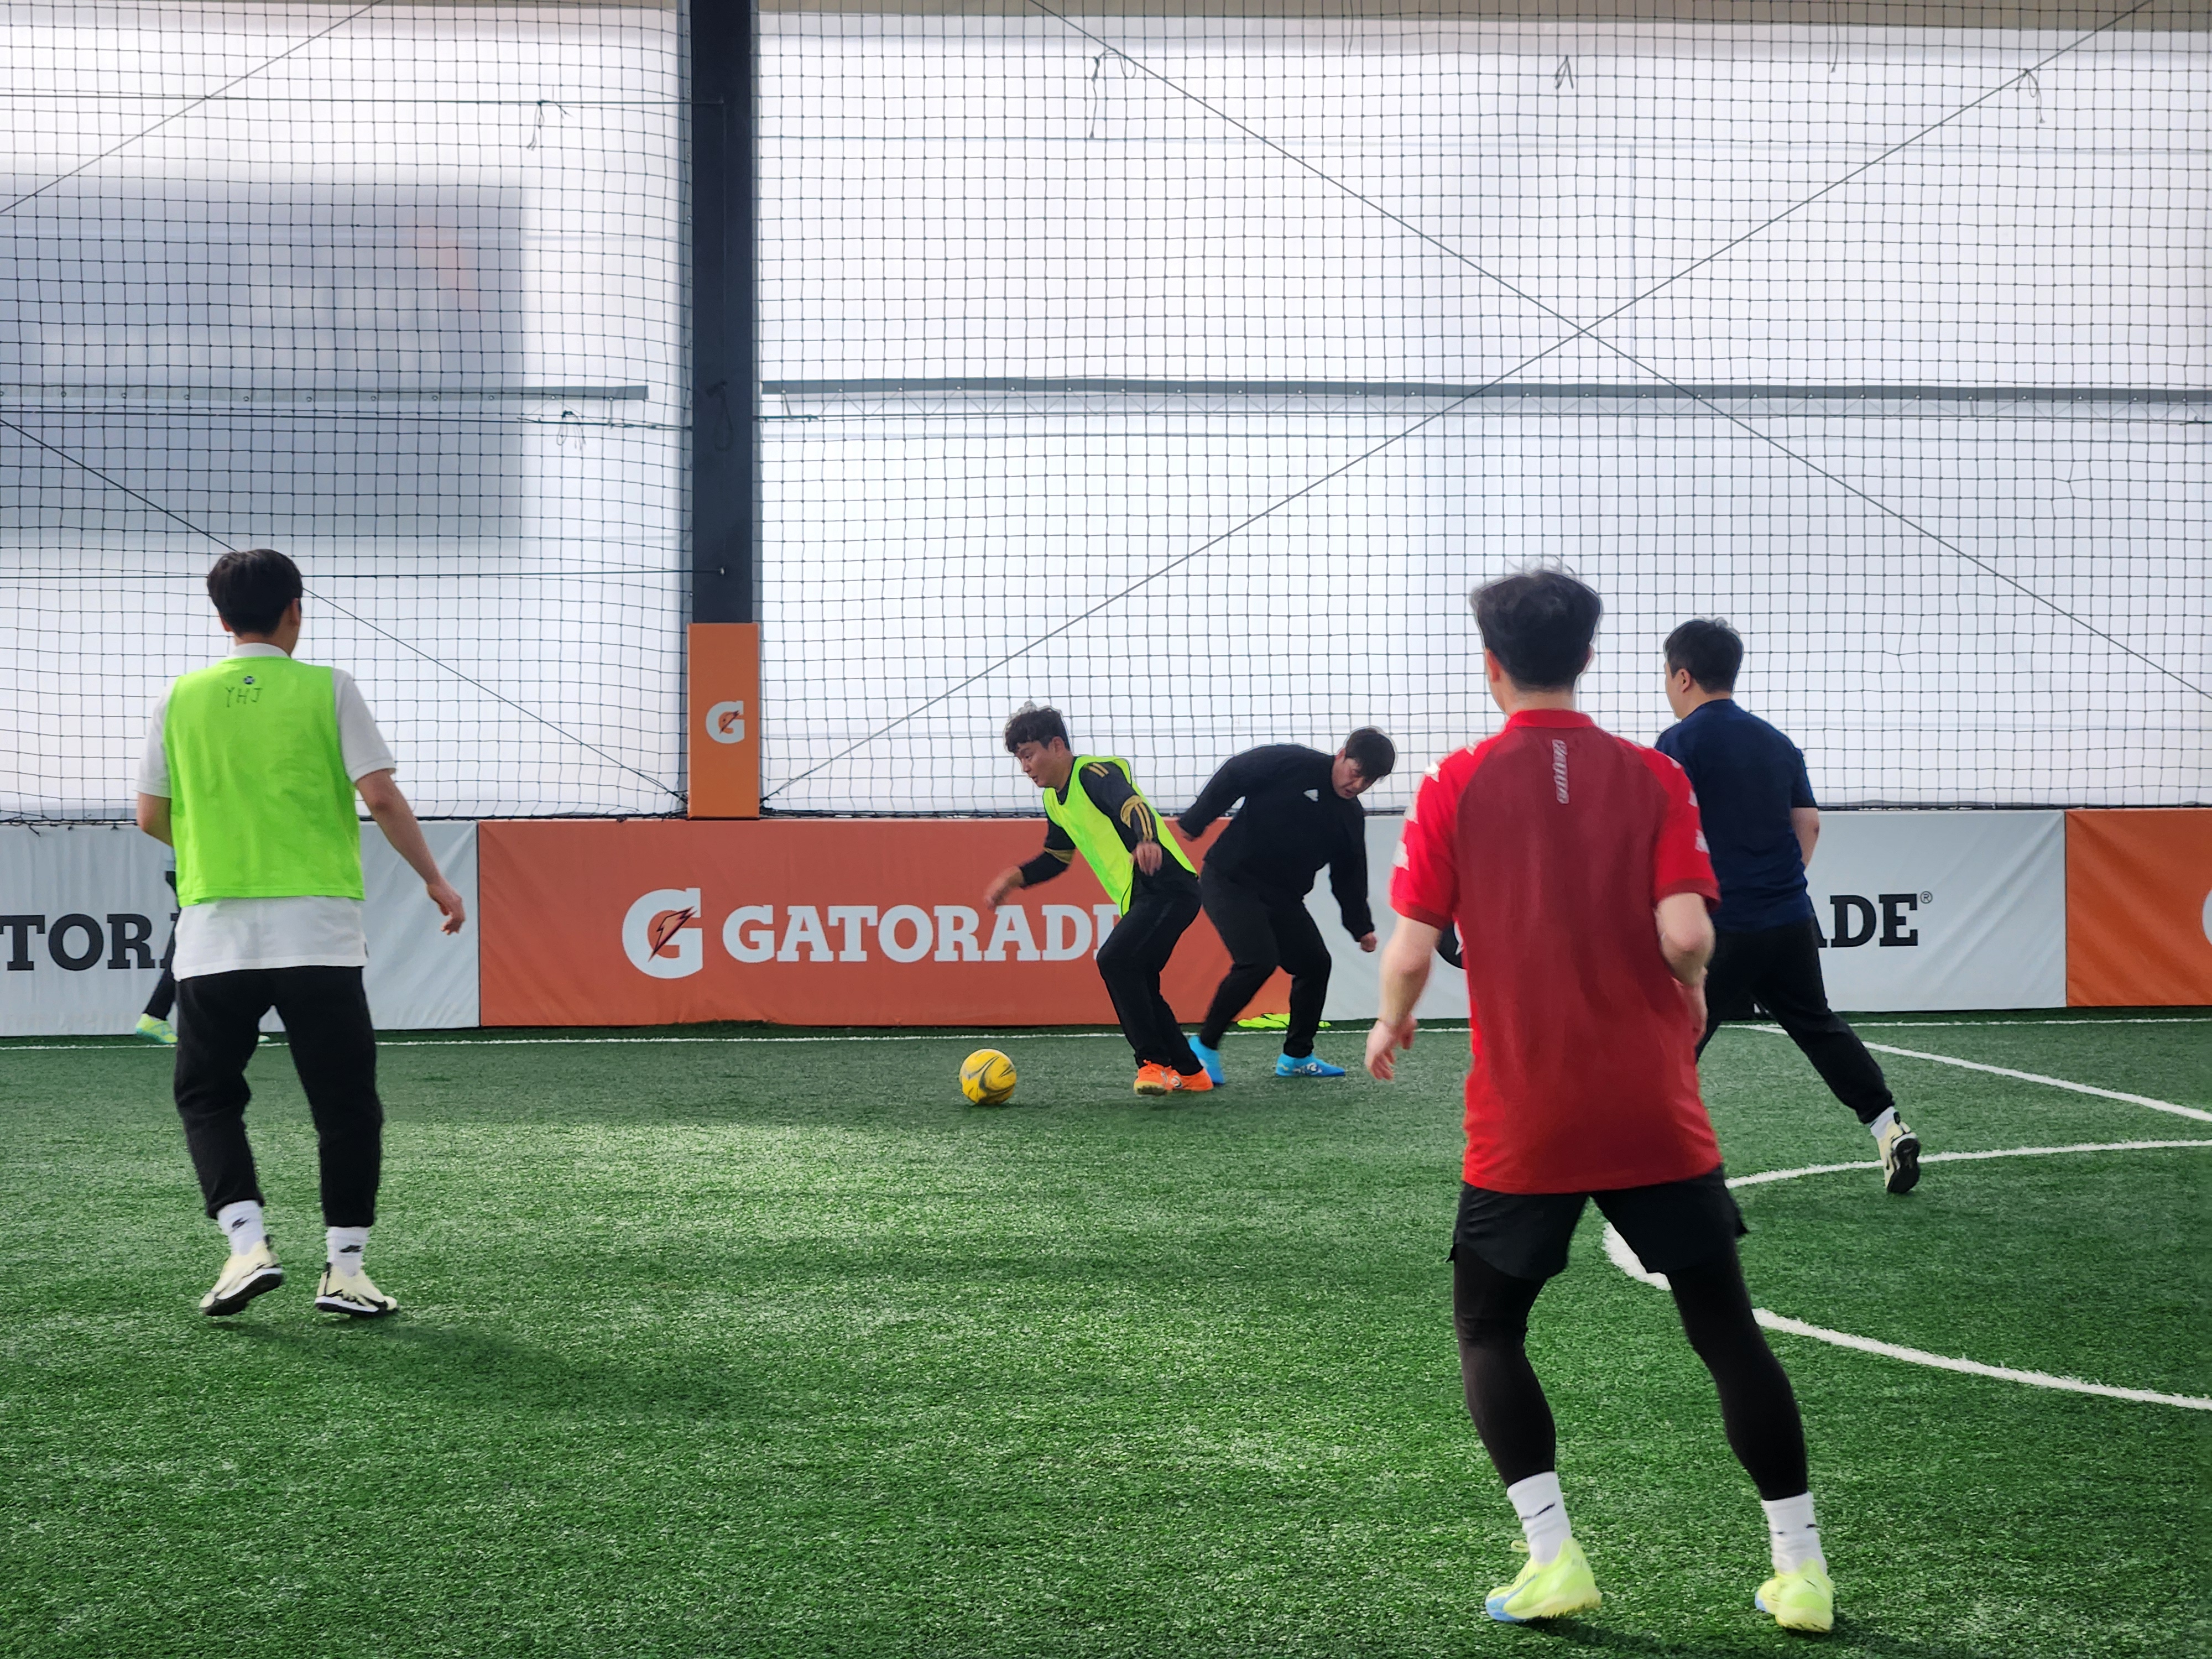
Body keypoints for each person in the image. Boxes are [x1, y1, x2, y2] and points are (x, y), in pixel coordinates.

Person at [1366, 570, 1834, 1635]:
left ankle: (1553, 1557)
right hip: (1653, 1110)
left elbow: (1410, 951)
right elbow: (1688, 933)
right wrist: (1694, 983)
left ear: (1491, 665)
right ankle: (1802, 1571)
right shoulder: (1654, 775)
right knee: (1726, 1332)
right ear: (1587, 659)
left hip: (1526, 1119)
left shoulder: (1452, 783)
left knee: (1489, 1328)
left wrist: (1391, 1022)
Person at [134, 547, 466, 1319]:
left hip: (215, 934)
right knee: (345, 1103)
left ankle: (246, 1245)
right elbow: (381, 797)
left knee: (208, 1095)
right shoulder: (329, 688)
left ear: (221, 618)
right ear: (295, 611)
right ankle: (345, 1271)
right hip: (318, 933)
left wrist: (219, 848)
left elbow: (151, 816)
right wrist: (434, 879)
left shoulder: (178, 697)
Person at [1656, 619, 1920, 1196]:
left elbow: (1663, 832)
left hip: (1720, 925)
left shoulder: (1677, 744)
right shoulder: (1777, 743)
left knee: (1677, 1037)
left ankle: (1661, 1157)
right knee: (1817, 1025)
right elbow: (1810, 824)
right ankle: (1887, 1126)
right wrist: (1778, 882)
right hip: (1788, 919)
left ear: (1683, 677)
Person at [985, 705, 1210, 1095]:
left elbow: (1132, 804)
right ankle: (1191, 1074)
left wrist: (1147, 840)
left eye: (1028, 755)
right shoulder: (1055, 800)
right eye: (1019, 759)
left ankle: (1152, 1065)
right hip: (1142, 896)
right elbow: (1057, 858)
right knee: (1140, 981)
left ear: (1057, 746)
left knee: (1115, 960)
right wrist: (1014, 878)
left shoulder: (1093, 773)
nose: (1025, 767)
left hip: (1168, 885)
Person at [1175, 731, 1394, 1083]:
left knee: (1315, 965)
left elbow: (1349, 875)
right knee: (1257, 961)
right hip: (1230, 880)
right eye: (1356, 772)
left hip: (1283, 897)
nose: (1358, 785)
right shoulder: (1293, 763)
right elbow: (1236, 773)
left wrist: (1361, 927)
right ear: (1341, 754)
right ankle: (1203, 1048)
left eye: (1368, 781)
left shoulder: (1350, 816)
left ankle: (1297, 1056)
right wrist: (1197, 819)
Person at [133, 867, 180, 1045]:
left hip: (197, 872)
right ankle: (155, 1014)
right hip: (201, 873)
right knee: (191, 943)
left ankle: (156, 1013)